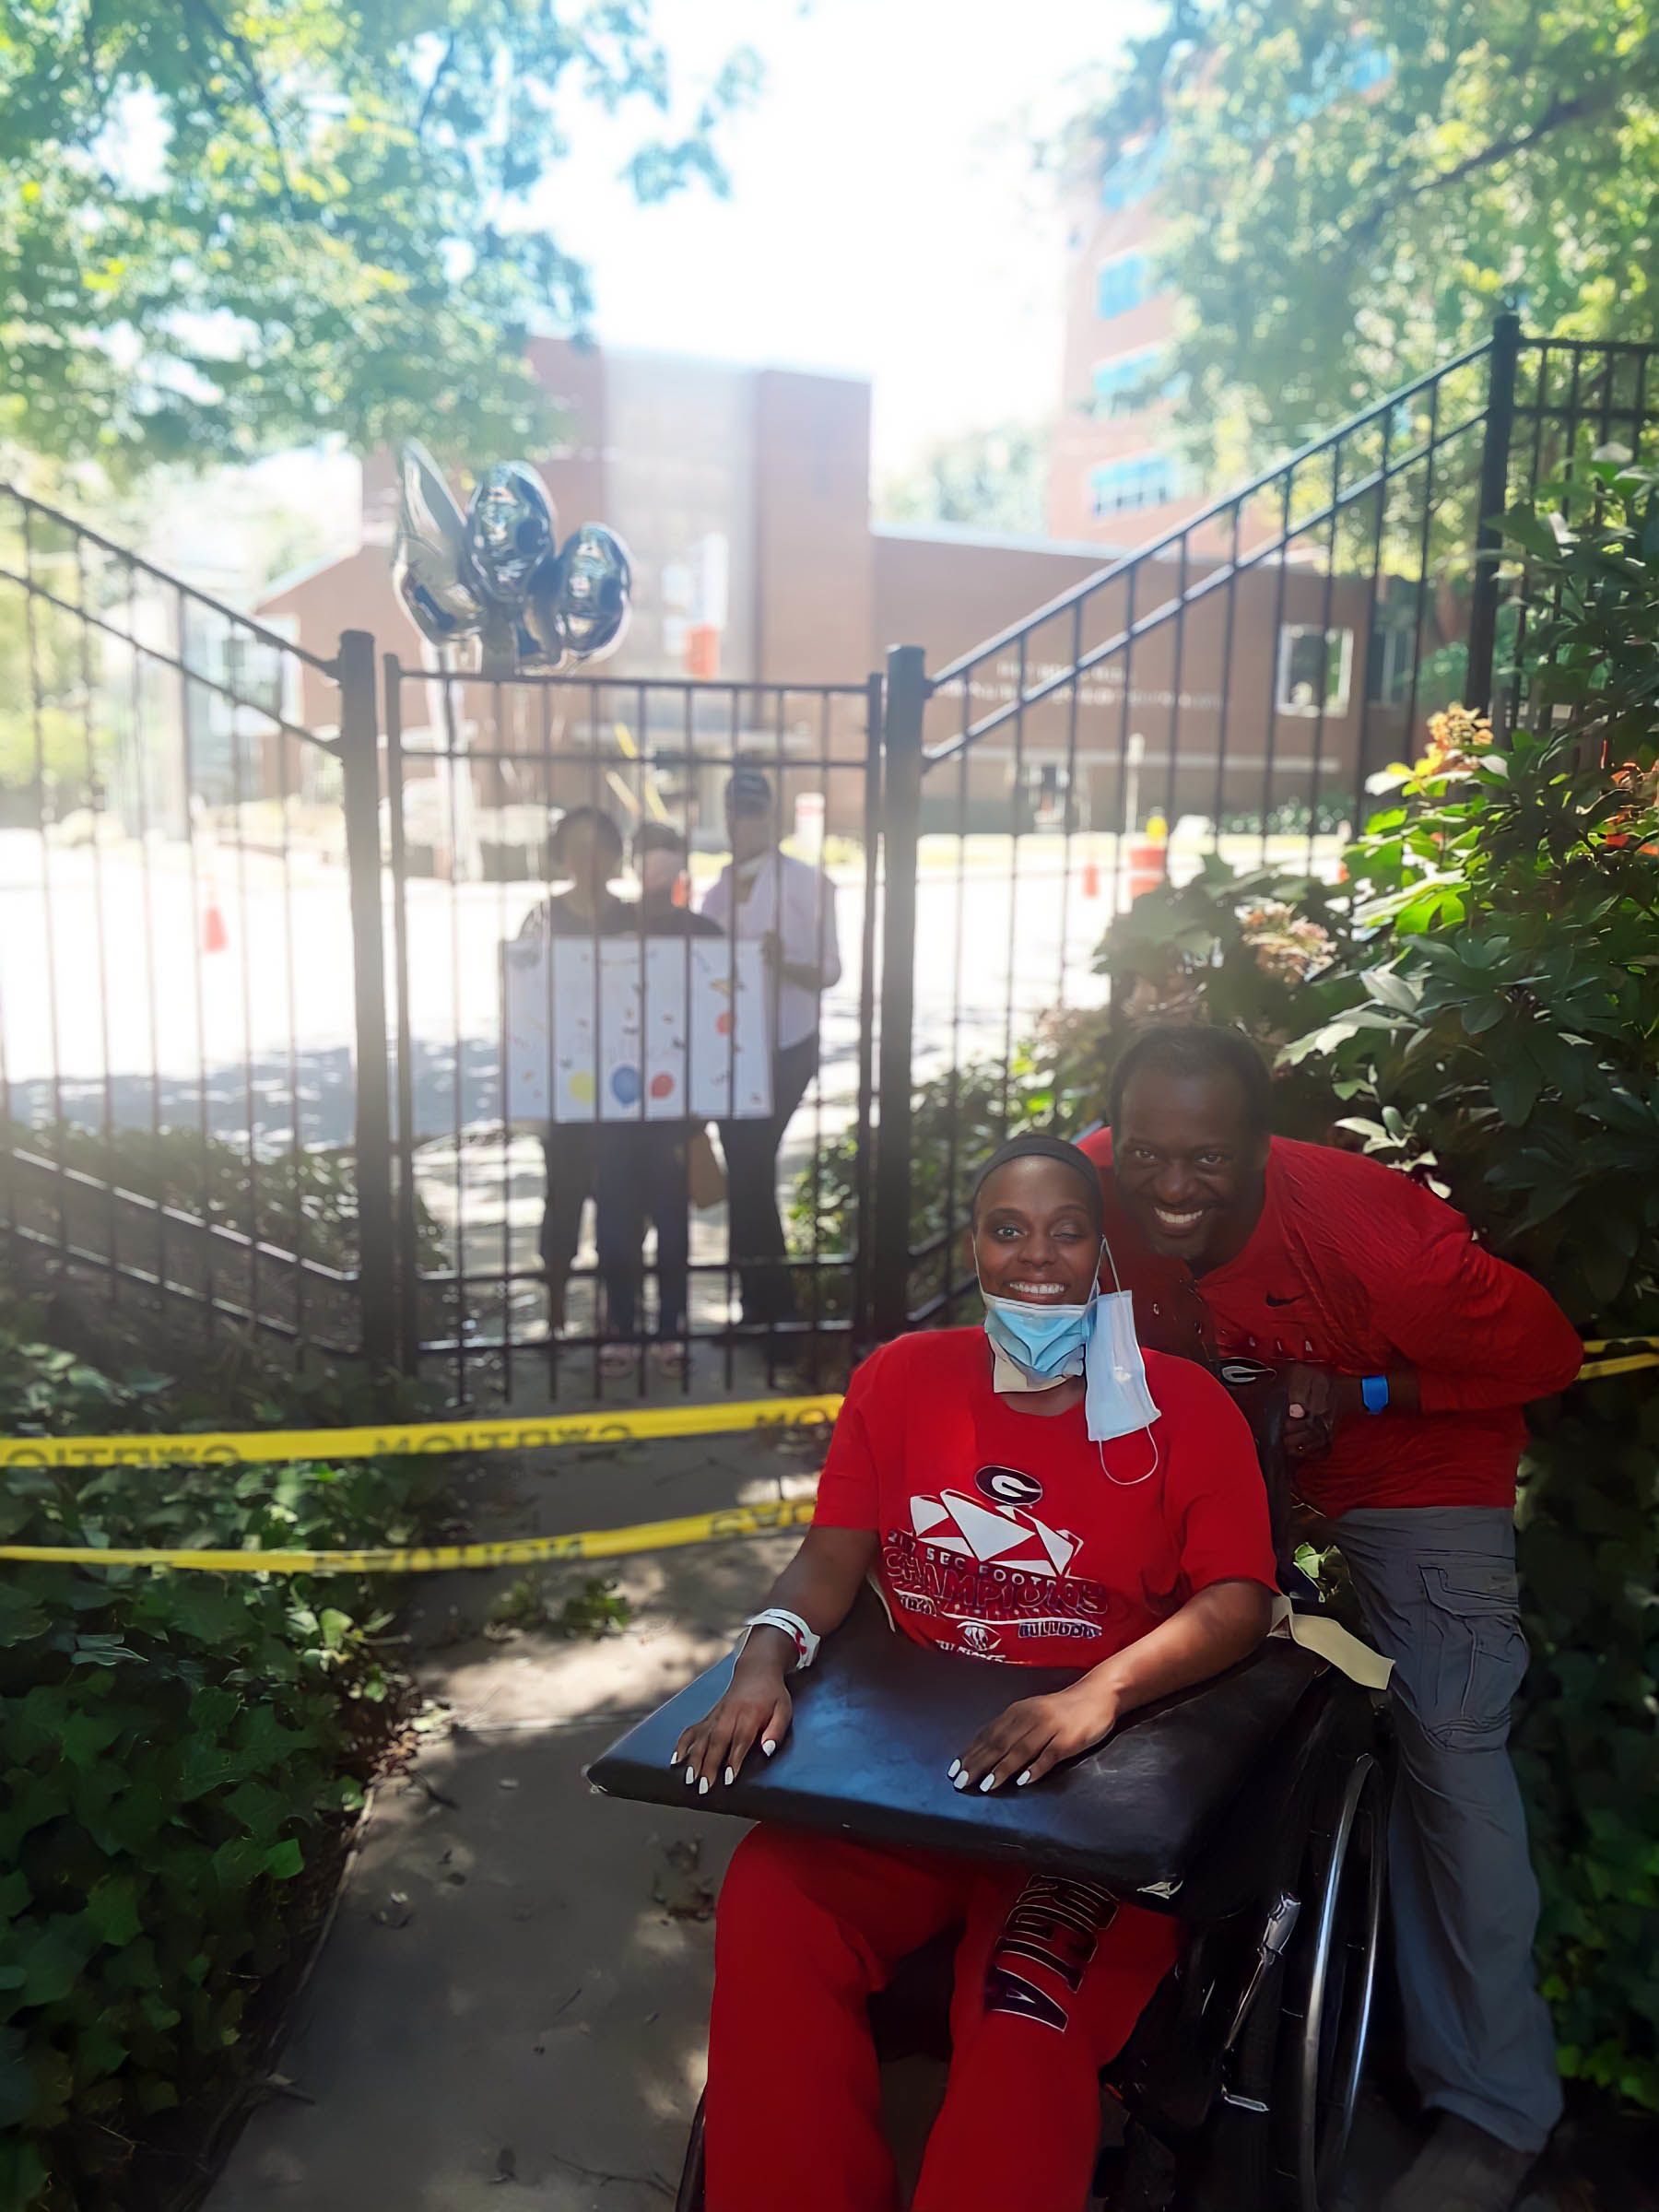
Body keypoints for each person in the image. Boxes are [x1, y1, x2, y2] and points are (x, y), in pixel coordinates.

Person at [675, 1133, 1277, 2212]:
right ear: (976, 1248)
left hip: (1090, 1790)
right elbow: (831, 1554)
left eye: (1066, 1231)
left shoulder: (1181, 1409)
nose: (1035, 1257)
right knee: (771, 1896)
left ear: (1103, 1256)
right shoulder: (904, 1380)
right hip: (916, 1772)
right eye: (1009, 1230)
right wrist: (763, 1659)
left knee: (1024, 1997)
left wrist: (1098, 1694)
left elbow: (1237, 1600)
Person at [1077, 1024, 1583, 2212]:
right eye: (1144, 1152)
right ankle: (1096, 2022)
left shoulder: (1381, 1247)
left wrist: (1357, 1387)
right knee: (1102, 1670)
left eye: (1203, 1161)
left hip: (1412, 1466)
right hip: (1213, 1454)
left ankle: (1495, 2108)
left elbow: (1549, 1357)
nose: (1167, 1186)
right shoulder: (1088, 1189)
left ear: (1263, 1149)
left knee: (1451, 1753)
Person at [700, 765, 841, 1332]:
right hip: (728, 1051)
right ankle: (758, 1307)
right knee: (745, 1173)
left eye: (754, 811)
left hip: (786, 1046)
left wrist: (784, 964)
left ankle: (774, 1309)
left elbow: (830, 971)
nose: (744, 821)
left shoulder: (809, 885)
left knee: (752, 1170)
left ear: (772, 818)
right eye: (736, 810)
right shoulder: (715, 887)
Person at [592, 824, 724, 1374]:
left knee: (672, 1221)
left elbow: (722, 1021)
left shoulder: (707, 933)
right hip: (613, 1105)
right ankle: (620, 1323)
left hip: (679, 1108)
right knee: (615, 1221)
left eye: (666, 857)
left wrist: (707, 1100)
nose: (656, 868)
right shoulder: (607, 926)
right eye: (647, 856)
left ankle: (672, 1324)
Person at [518, 806, 629, 1335]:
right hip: (564, 1087)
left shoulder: (634, 919)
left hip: (626, 1087)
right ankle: (557, 1302)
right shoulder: (543, 918)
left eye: (600, 847)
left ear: (615, 856)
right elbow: (521, 1002)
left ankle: (616, 1303)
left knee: (622, 1196)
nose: (589, 859)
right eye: (577, 847)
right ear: (561, 856)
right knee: (562, 1194)